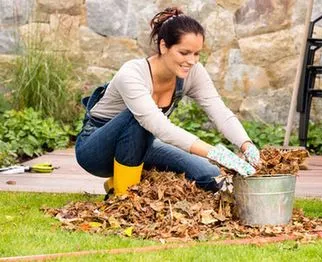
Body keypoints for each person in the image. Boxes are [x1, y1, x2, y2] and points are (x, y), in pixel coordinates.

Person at [75, 7, 261, 196]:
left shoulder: (192, 72)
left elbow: (219, 111)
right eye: (184, 52)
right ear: (164, 46)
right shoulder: (132, 74)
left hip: (143, 145)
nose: (191, 61)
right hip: (96, 150)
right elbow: (159, 126)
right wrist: (217, 154)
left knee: (210, 176)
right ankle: (123, 197)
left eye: (197, 54)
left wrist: (247, 145)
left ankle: (125, 180)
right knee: (138, 120)